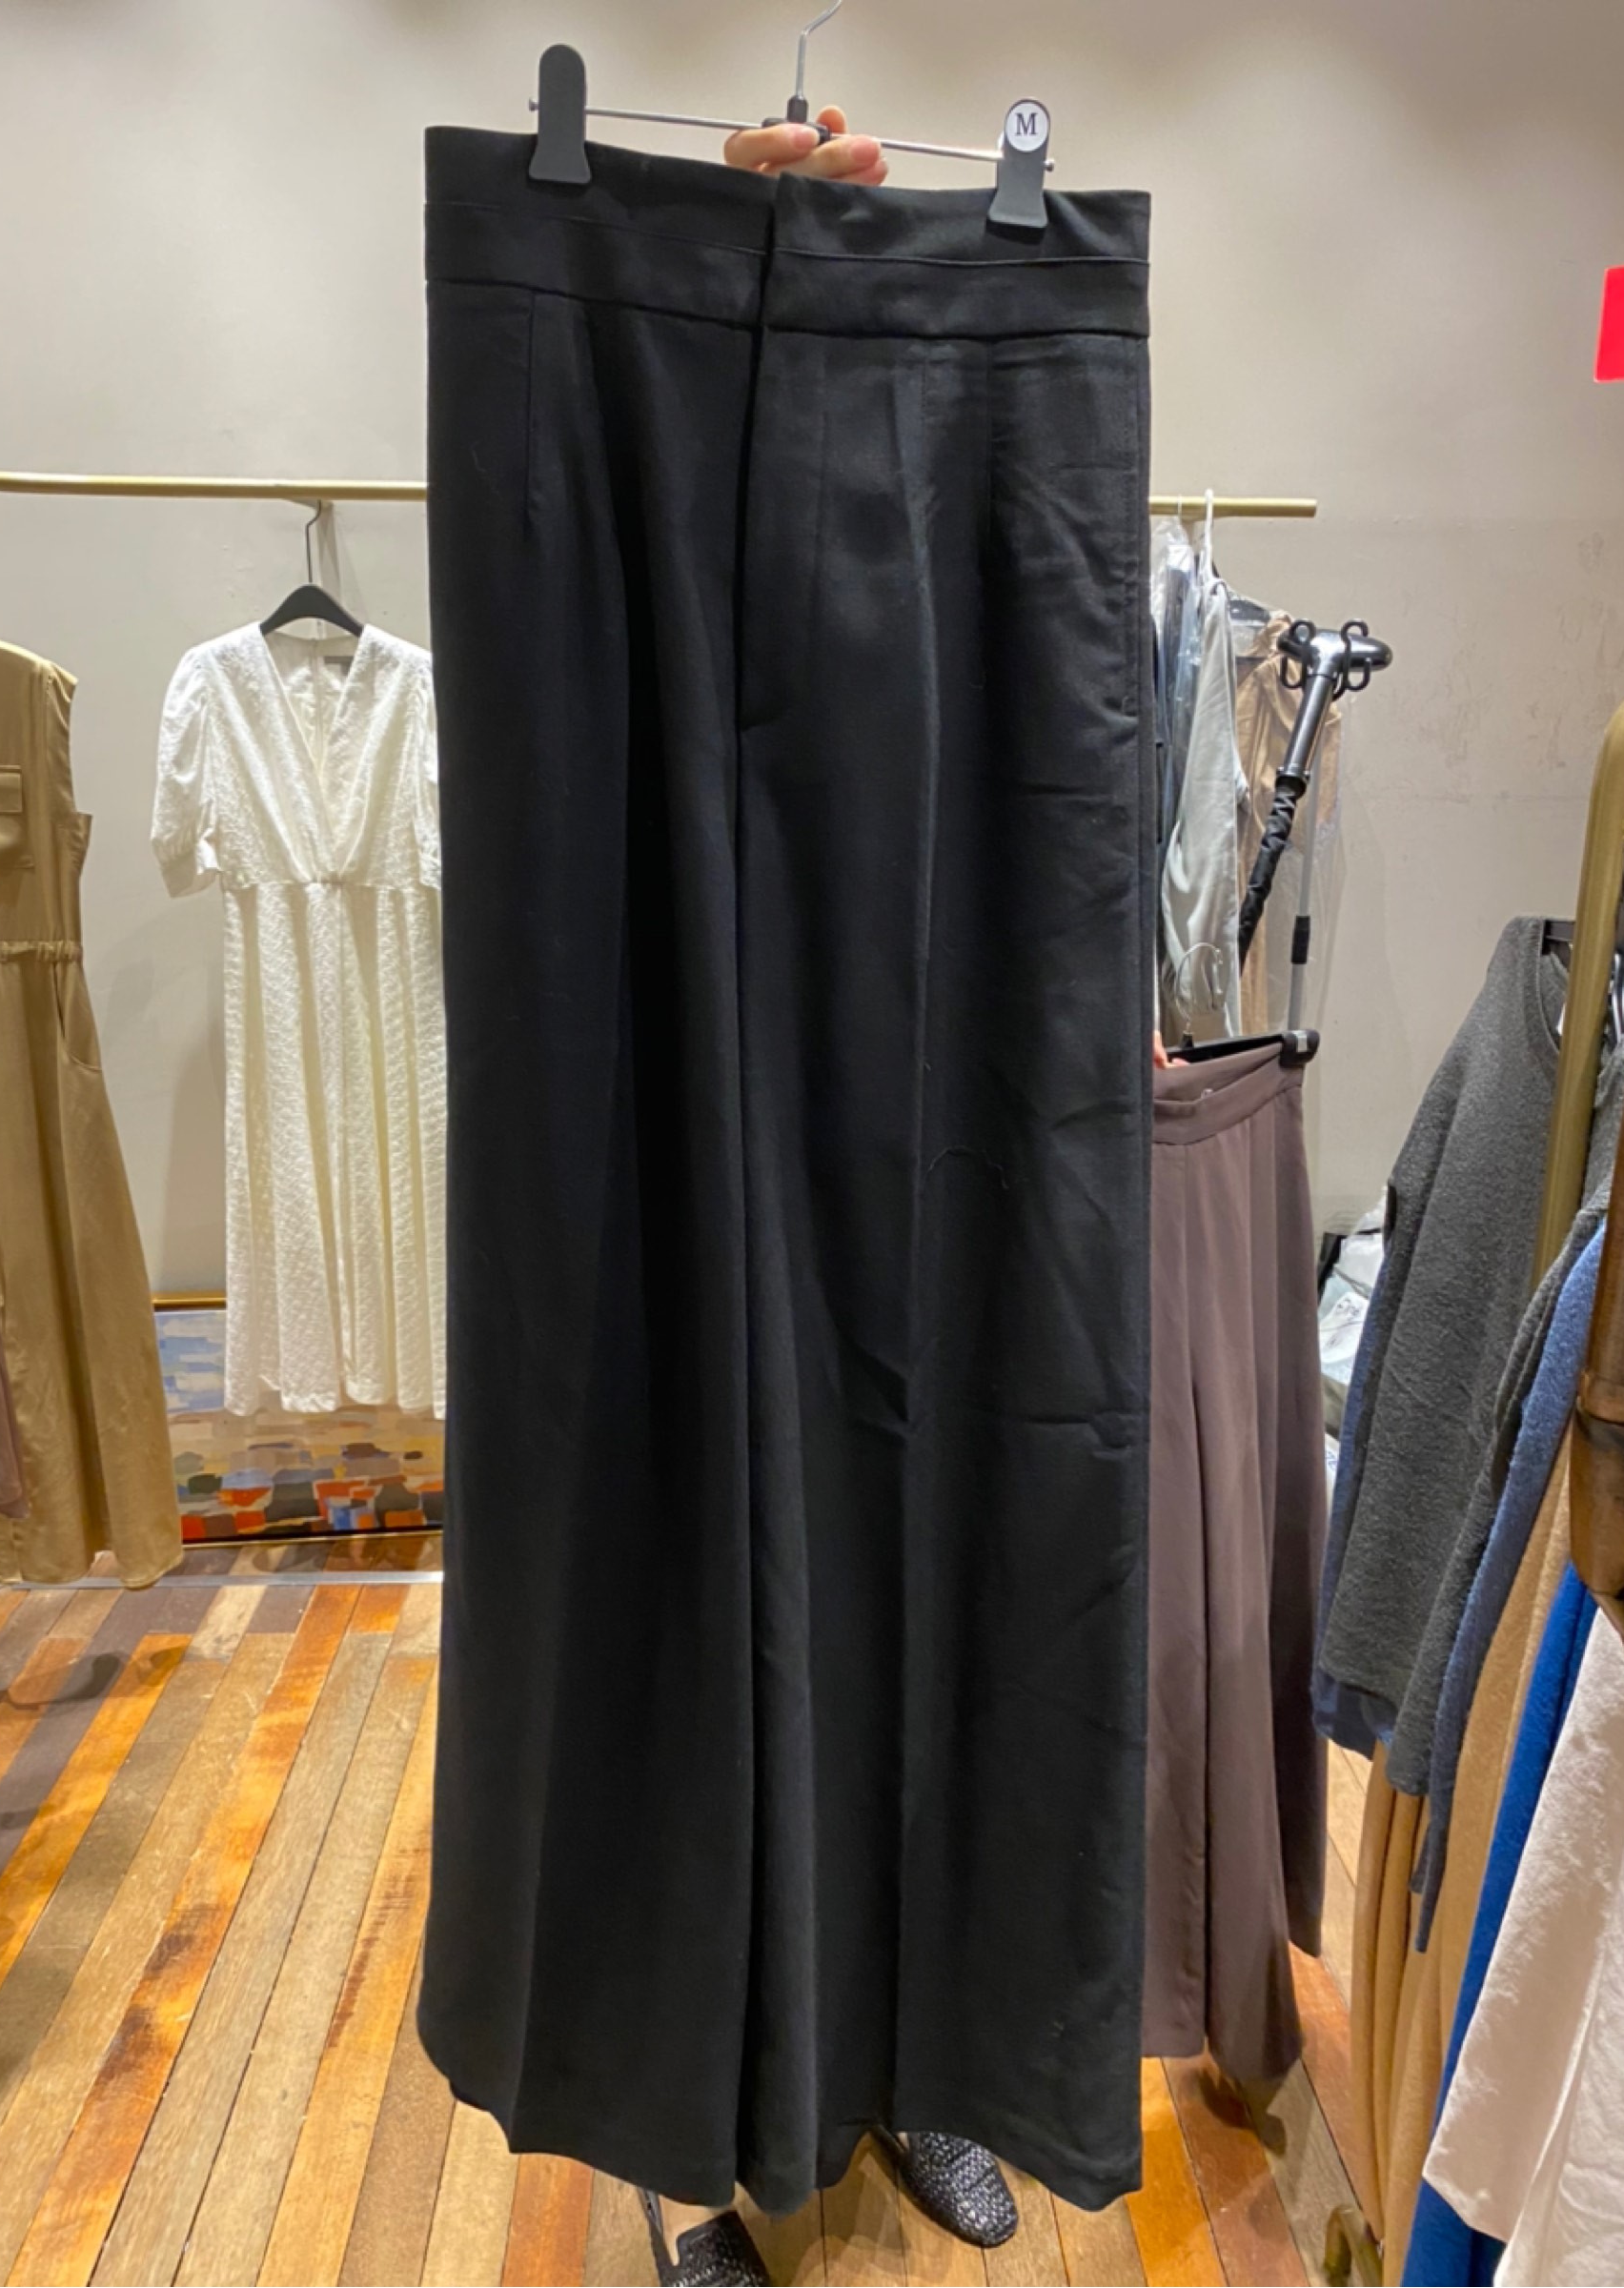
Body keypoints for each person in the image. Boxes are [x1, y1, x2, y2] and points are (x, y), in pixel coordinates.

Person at [625, 97, 1029, 2288]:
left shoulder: (950, 477)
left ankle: (912, 2058)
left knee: (911, 1620)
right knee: (702, 1638)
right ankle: (695, 2147)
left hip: (911, 1139)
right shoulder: (647, 468)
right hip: (691, 1132)